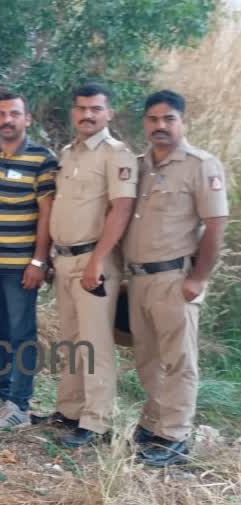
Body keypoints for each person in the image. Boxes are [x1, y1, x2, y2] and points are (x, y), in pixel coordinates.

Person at [123, 90, 228, 466]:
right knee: (148, 358)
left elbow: (216, 225)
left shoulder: (201, 165)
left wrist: (198, 277)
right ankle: (153, 426)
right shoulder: (138, 166)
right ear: (145, 123)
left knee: (179, 360)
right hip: (138, 279)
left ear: (183, 121)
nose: (161, 126)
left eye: (169, 119)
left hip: (174, 278)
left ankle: (175, 438)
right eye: (153, 119)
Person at [47, 82, 137, 448]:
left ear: (109, 113)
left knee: (95, 342)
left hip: (93, 262)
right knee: (70, 338)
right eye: (82, 108)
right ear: (74, 112)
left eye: (96, 109)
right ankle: (69, 410)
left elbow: (122, 209)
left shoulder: (117, 154)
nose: (87, 115)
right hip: (64, 258)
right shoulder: (68, 153)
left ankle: (96, 422)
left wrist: (97, 260)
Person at [0, 92, 57, 429]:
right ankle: (0, 391)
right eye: (2, 114)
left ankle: (19, 405)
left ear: (27, 119)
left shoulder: (42, 159)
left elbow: (47, 213)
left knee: (22, 333)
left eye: (15, 114)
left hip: (21, 266)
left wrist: (38, 262)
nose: (8, 120)